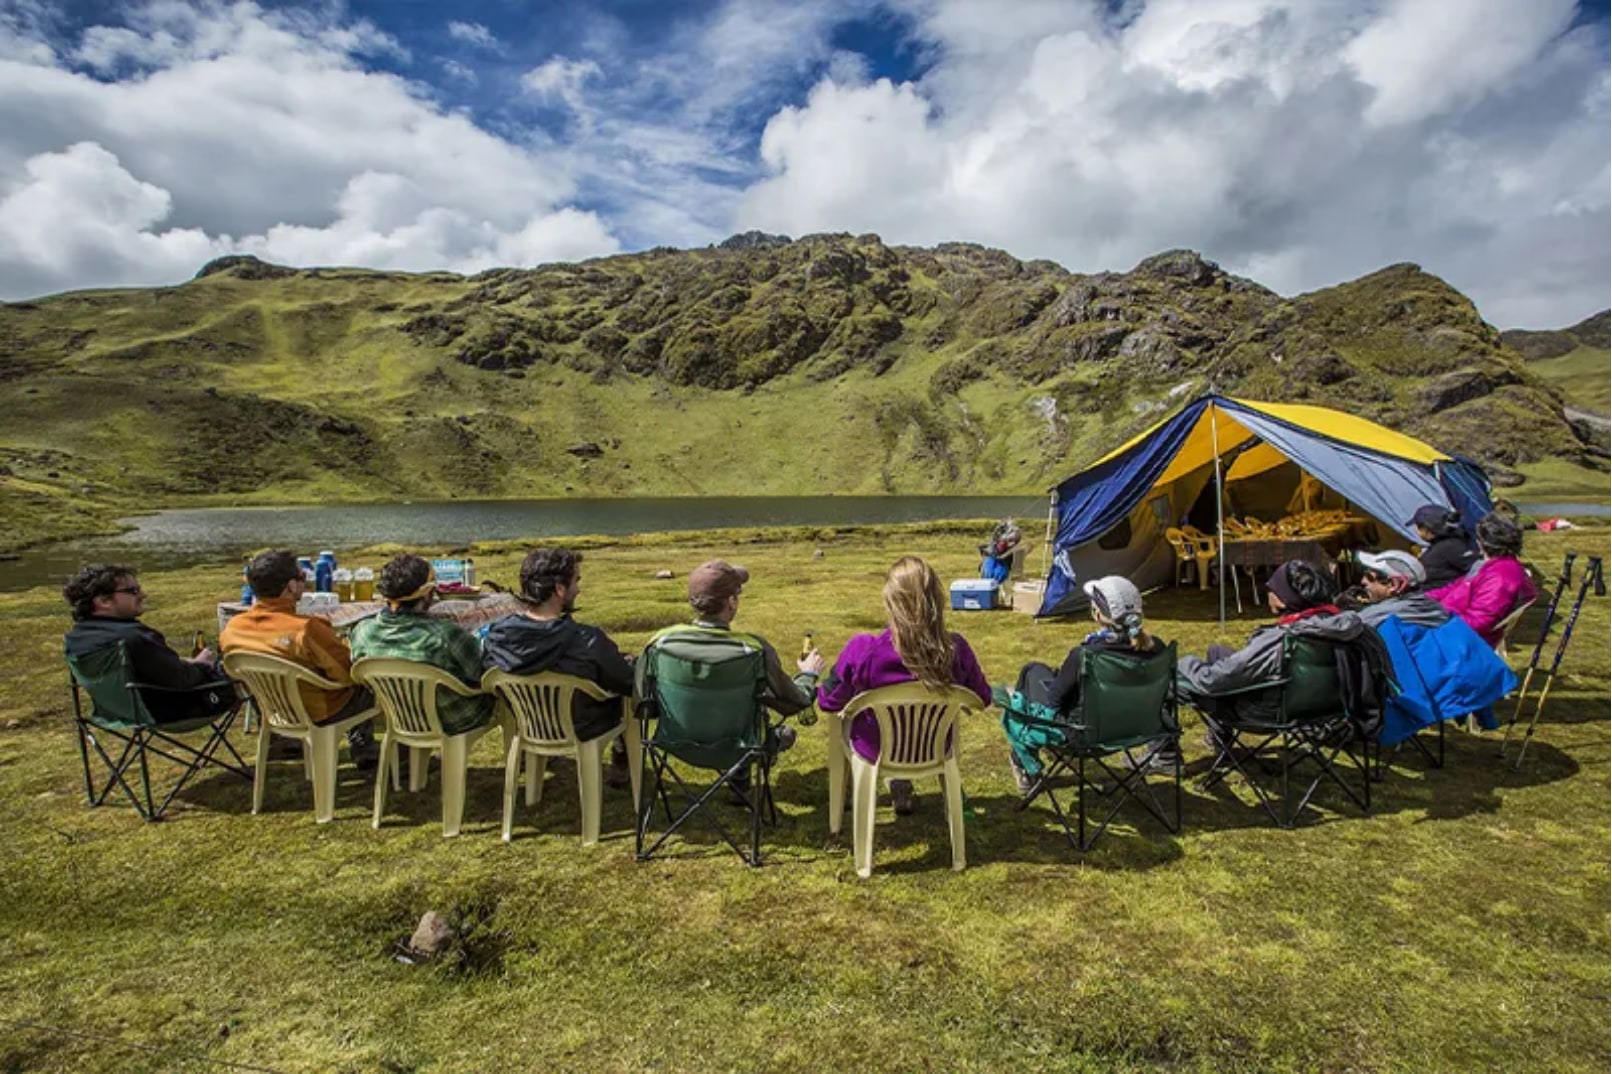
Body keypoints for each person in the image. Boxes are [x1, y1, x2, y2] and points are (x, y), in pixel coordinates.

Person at [817, 556, 991, 815]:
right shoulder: (956, 649)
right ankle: (904, 784)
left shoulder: (864, 649)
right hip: (934, 747)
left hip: (877, 749)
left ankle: (867, 794)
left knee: (848, 719)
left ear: (890, 602)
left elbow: (828, 701)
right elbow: (983, 697)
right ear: (937, 600)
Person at [639, 559, 823, 796]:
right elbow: (796, 701)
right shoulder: (755, 649)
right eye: (738, 593)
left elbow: (641, 699)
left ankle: (742, 772)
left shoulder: (659, 643)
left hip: (673, 743)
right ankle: (748, 765)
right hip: (740, 747)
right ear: (731, 602)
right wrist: (808, 674)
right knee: (764, 720)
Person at [1000, 576, 1167, 796]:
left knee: (1032, 672)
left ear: (1097, 614)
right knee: (1046, 675)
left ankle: (1024, 762)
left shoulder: (1086, 656)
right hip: (1135, 731)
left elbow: (1053, 701)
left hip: (1085, 737)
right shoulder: (1157, 650)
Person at [482, 547, 635, 785]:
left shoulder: (497, 637)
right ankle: (624, 763)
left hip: (528, 724)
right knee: (625, 695)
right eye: (576, 581)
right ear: (559, 589)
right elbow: (628, 682)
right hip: (584, 727)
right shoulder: (587, 640)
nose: (579, 588)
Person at [220, 549, 377, 769]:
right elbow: (348, 671)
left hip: (274, 709)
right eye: (303, 577)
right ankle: (364, 749)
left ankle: (282, 742)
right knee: (367, 684)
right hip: (320, 711)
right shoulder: (305, 629)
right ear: (292, 586)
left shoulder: (233, 628)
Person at [1176, 559, 1366, 726]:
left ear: (1283, 600)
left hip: (1268, 711)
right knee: (1216, 652)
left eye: (1271, 589)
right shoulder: (1344, 626)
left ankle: (1166, 755)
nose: (1267, 593)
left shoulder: (1281, 638)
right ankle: (1219, 740)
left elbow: (1213, 680)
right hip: (1326, 707)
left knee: (1170, 681)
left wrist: (1185, 664)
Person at [62, 564, 237, 722]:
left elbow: (146, 669)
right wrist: (202, 665)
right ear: (104, 601)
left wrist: (186, 663)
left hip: (119, 713)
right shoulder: (133, 637)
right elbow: (184, 680)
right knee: (248, 670)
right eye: (133, 591)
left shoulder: (75, 639)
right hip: (174, 711)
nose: (143, 595)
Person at [349, 554, 494, 735]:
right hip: (453, 720)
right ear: (427, 593)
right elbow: (481, 671)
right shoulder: (444, 635)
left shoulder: (363, 633)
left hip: (399, 715)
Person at [1428, 512, 1538, 648]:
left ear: (1480, 543)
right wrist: (1420, 600)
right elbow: (1454, 587)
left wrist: (1432, 620)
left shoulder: (1501, 577)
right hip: (1443, 621)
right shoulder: (1490, 567)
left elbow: (1479, 621)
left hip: (1452, 641)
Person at [1351, 550, 1451, 629]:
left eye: (1369, 577)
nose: (1363, 581)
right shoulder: (1434, 607)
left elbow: (1345, 627)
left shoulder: (1383, 614)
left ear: (1395, 585)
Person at [1410, 505, 1477, 588]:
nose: (1416, 530)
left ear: (1426, 530)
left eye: (1417, 527)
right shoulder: (1455, 541)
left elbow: (1476, 569)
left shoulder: (1450, 547)